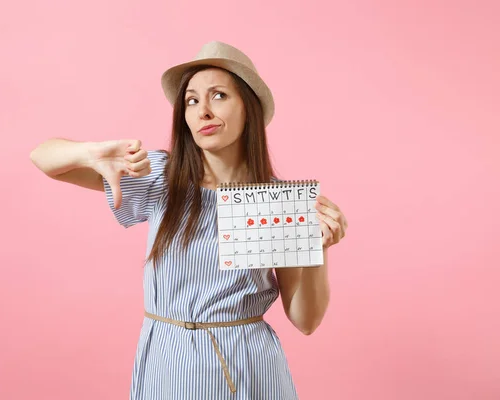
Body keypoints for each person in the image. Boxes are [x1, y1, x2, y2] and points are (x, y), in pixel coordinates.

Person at [30, 41, 348, 399]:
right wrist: (92, 152)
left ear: (249, 108)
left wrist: (318, 249)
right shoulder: (160, 177)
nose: (203, 112)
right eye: (192, 101)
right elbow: (43, 158)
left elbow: (306, 320)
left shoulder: (277, 201)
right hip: (168, 361)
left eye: (219, 96)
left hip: (249, 366)